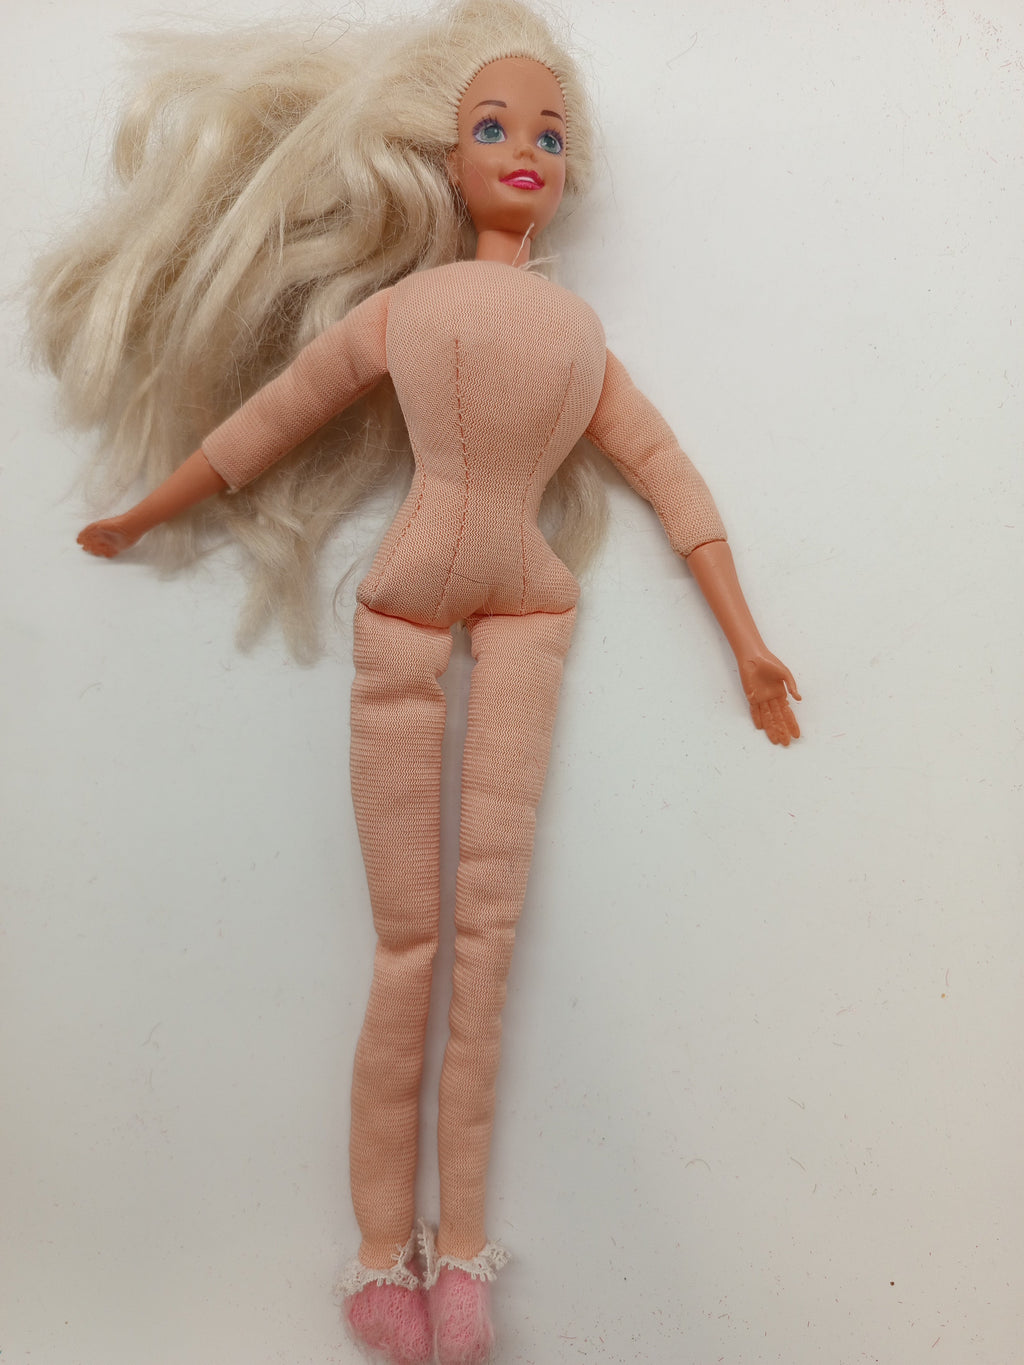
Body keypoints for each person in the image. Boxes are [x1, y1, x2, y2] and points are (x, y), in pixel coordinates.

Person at [33, 4, 800, 1361]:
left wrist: (746, 637)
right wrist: (148, 510)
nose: (524, 150)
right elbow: (275, 419)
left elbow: (671, 479)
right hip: (407, 596)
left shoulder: (578, 338)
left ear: (567, 169)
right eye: (495, 127)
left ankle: (465, 1263)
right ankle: (384, 1253)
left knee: (484, 934)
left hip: (530, 601)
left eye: (547, 134)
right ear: (446, 158)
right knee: (412, 939)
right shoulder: (412, 309)